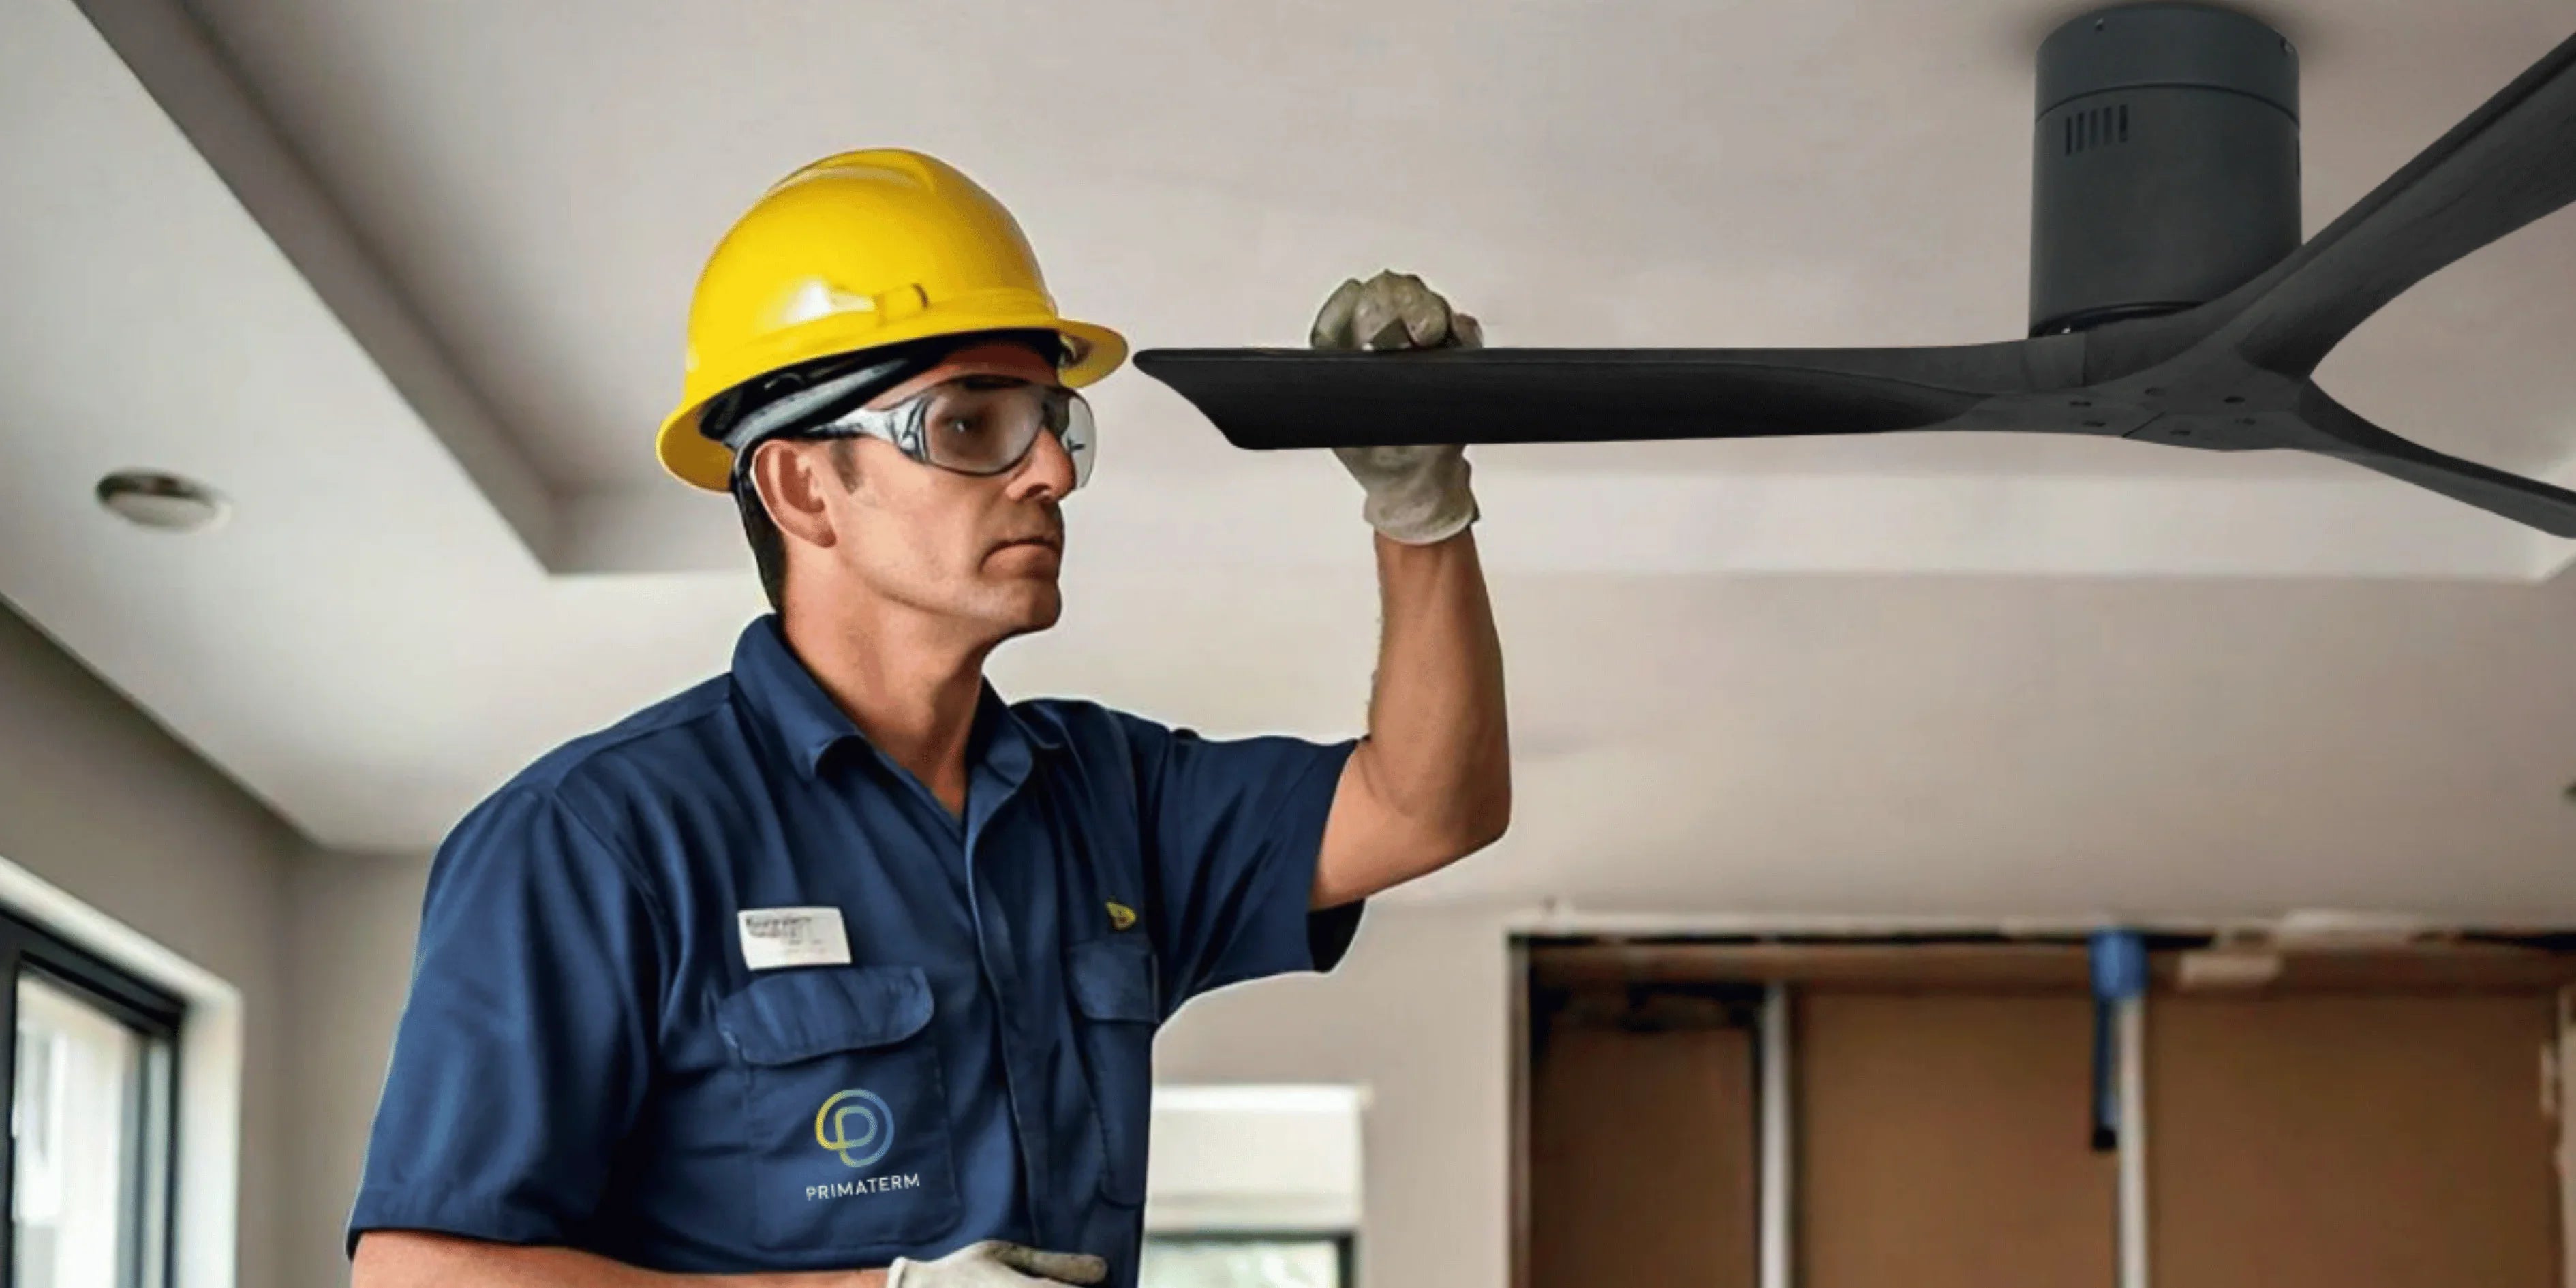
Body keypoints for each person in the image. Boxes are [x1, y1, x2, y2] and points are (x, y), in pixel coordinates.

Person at [346, 149, 1509, 1288]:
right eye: (968, 426)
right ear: (803, 487)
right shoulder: (595, 841)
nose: (1052, 471)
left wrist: (1419, 509)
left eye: (1052, 422)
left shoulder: (1107, 799)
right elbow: (418, 1273)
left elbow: (1427, 806)